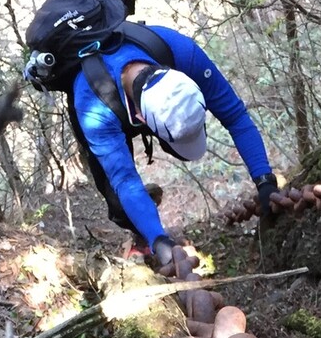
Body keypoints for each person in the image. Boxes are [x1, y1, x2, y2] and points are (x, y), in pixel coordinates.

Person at [28, 19, 278, 268]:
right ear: (141, 118)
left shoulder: (182, 53)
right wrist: (158, 239)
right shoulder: (92, 111)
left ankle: (146, 222)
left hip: (134, 89)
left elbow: (235, 116)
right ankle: (141, 230)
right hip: (103, 101)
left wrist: (264, 179)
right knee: (114, 191)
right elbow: (125, 179)